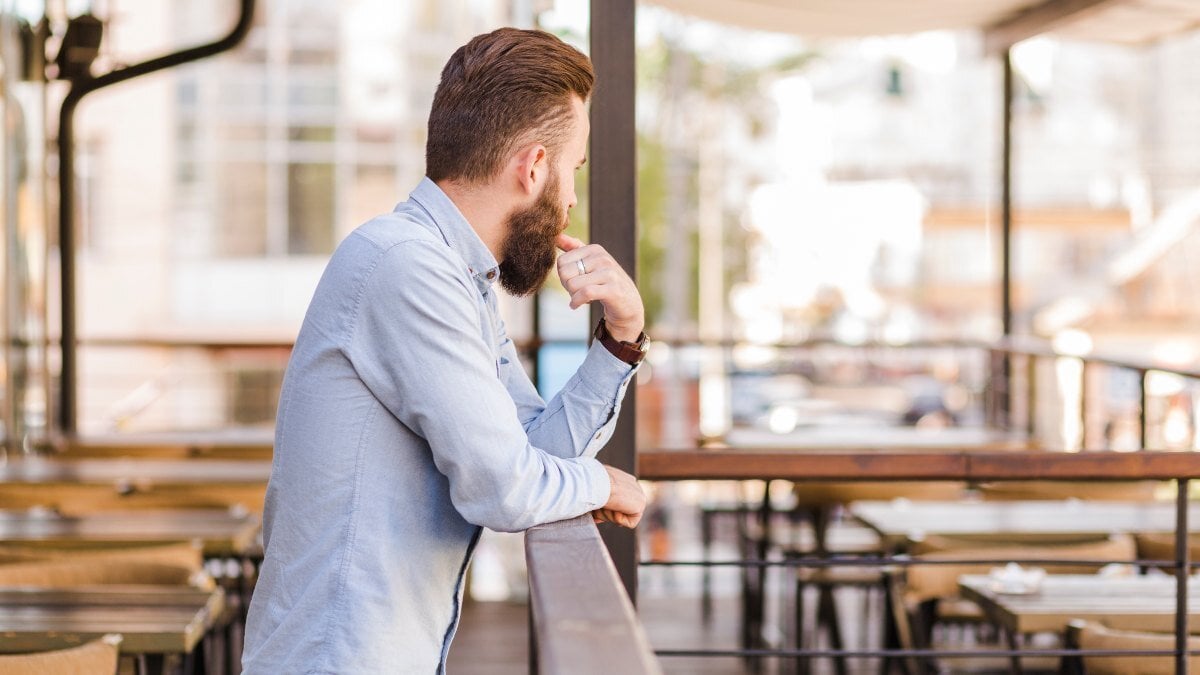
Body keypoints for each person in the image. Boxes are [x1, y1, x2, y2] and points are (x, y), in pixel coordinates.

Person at [241, 27, 648, 673]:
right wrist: (608, 483)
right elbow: (503, 487)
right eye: (573, 172)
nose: (571, 199)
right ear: (533, 167)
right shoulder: (405, 265)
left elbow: (532, 455)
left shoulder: (459, 279)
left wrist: (621, 339)